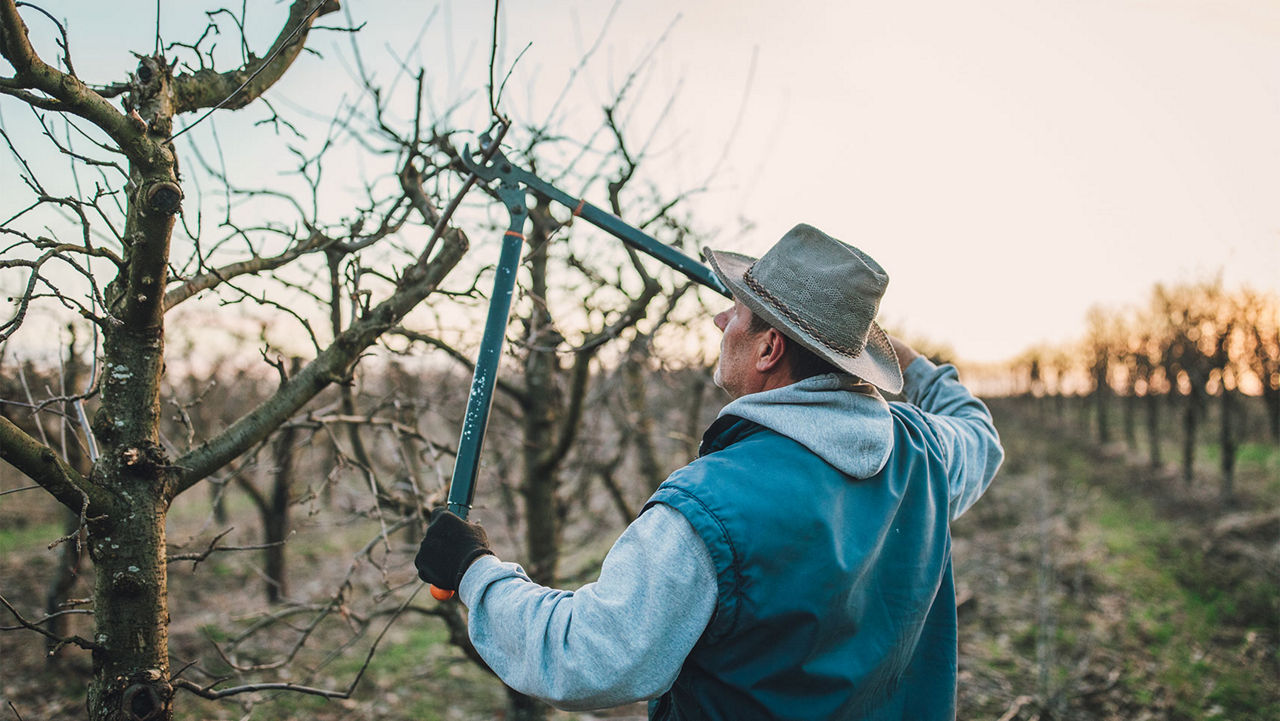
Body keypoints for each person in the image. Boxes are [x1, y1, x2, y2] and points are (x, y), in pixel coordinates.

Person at [415, 223, 1005, 720]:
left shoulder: (711, 508)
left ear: (769, 349)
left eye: (738, 311)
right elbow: (980, 434)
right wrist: (910, 363)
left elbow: (588, 656)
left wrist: (473, 572)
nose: (721, 321)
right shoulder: (925, 451)